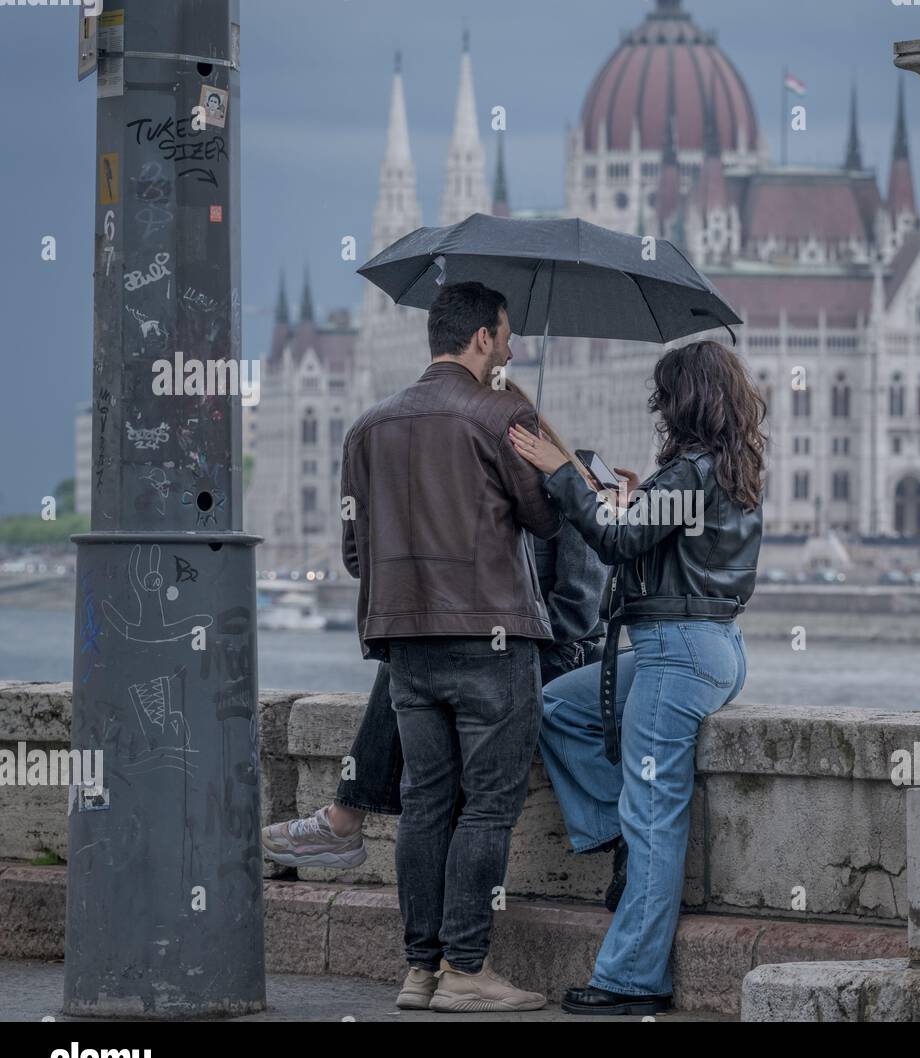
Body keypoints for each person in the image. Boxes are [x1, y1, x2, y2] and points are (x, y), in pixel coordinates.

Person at [261, 381, 606, 886]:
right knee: (412, 654)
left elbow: (577, 612)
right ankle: (355, 828)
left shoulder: (570, 483)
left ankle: (346, 817)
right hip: (491, 654)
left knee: (420, 666)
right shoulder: (471, 501)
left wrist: (502, 636)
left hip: (556, 653)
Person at [508, 339, 765, 1016]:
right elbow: (658, 541)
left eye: (663, 396)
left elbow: (618, 544)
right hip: (705, 648)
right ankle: (610, 826)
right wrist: (627, 498)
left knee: (656, 818)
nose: (657, 407)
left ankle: (630, 980)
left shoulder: (689, 474)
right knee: (556, 708)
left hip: (677, 652)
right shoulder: (726, 468)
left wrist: (562, 474)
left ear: (681, 400)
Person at [333, 280, 564, 1013]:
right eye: (506, 334)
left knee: (425, 803)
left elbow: (353, 552)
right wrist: (555, 454)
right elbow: (547, 518)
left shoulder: (368, 428)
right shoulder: (501, 413)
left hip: (406, 646)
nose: (512, 346)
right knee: (488, 808)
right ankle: (466, 970)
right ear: (482, 340)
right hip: (492, 643)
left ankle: (418, 971)